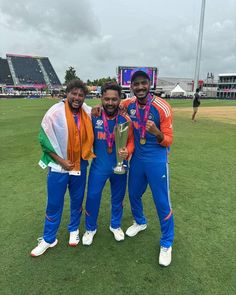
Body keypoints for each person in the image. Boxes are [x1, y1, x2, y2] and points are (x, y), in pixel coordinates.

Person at [31, 79, 95, 257]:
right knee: (54, 203)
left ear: (84, 97)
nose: (77, 97)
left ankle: (74, 229)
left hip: (80, 165)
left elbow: (104, 112)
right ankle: (48, 238)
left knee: (77, 199)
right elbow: (44, 142)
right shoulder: (54, 112)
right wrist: (61, 161)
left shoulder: (87, 111)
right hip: (59, 167)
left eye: (81, 95)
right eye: (73, 93)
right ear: (67, 94)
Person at [120, 68, 174, 267]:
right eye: (136, 84)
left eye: (144, 83)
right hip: (138, 159)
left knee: (161, 201)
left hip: (157, 159)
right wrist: (98, 108)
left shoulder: (162, 107)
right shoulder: (129, 103)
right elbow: (115, 103)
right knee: (133, 194)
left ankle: (167, 242)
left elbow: (168, 140)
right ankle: (140, 222)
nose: (140, 87)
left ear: (149, 84)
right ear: (131, 86)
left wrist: (156, 132)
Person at [82, 82, 134, 246]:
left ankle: (115, 225)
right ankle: (90, 228)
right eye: (107, 99)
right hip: (99, 166)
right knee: (92, 196)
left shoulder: (125, 118)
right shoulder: (94, 115)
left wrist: (128, 151)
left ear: (120, 99)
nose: (110, 103)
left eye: (114, 99)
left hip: (120, 166)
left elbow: (131, 141)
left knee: (118, 198)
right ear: (101, 98)